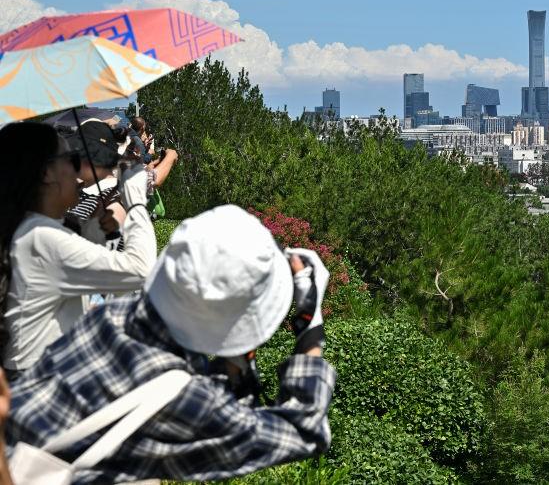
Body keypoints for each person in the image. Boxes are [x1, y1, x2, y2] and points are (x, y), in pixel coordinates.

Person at [4, 205, 336, 483]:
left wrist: (232, 342)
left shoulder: (109, 317)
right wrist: (310, 324)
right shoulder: (183, 400)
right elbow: (303, 430)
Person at [0, 122, 156, 377]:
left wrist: (94, 230)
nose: (78, 168)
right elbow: (141, 270)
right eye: (71, 159)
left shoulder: (31, 228)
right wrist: (136, 201)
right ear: (46, 174)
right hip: (38, 381)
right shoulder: (42, 237)